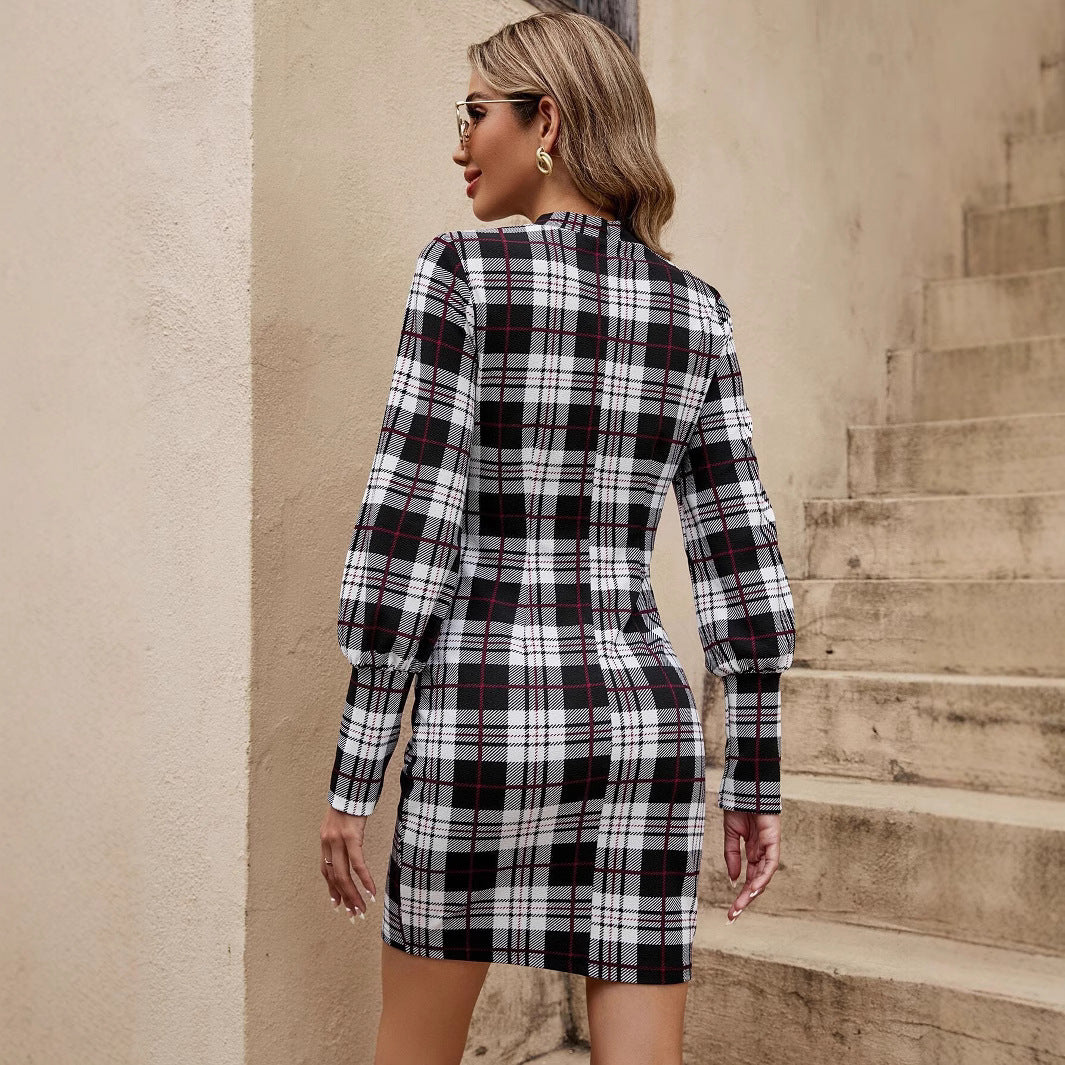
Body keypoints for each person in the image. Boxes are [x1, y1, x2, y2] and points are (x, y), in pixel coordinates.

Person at [319, 10, 796, 1065]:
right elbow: (737, 548)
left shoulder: (463, 272)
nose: (461, 142)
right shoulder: (698, 312)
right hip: (641, 729)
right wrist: (753, 773)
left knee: (414, 1049)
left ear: (548, 121)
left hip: (483, 716)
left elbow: (409, 526)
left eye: (475, 113)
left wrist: (356, 774)